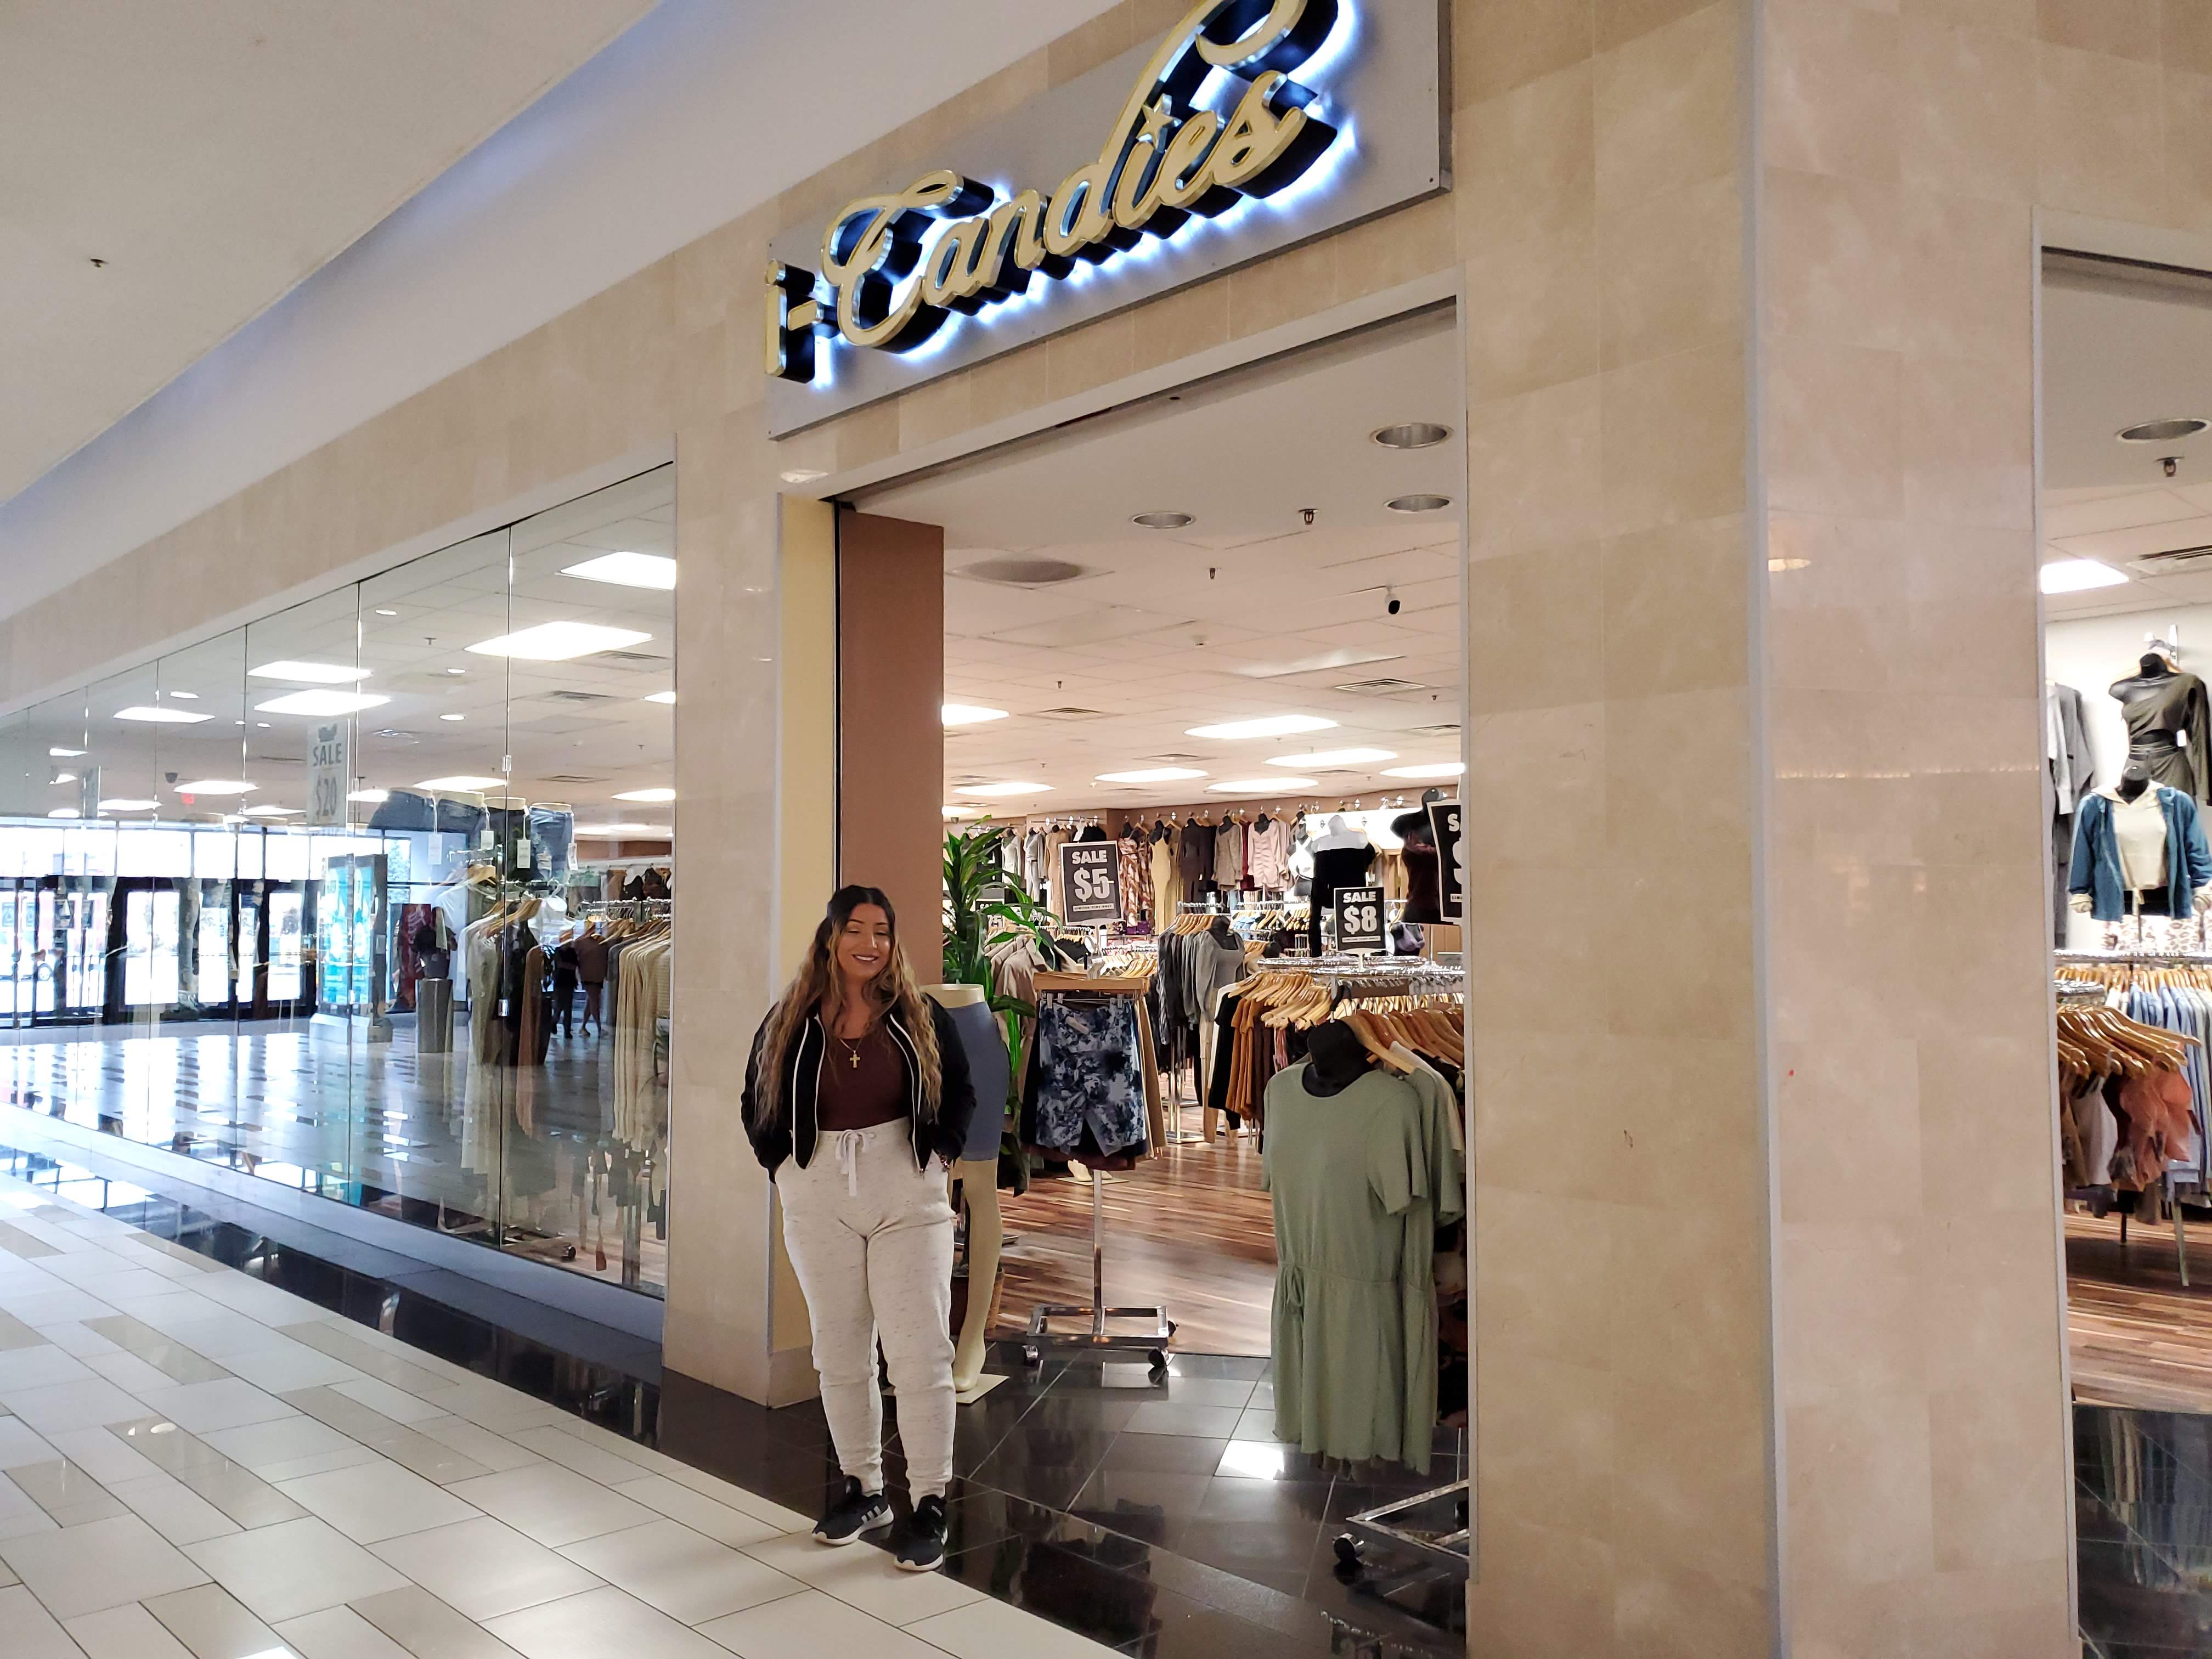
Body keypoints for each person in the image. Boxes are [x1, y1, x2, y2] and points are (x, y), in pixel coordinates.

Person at [742, 884, 976, 1572]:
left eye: (881, 931)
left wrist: (943, 1151)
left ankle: (929, 1499)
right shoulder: (792, 1017)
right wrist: (782, 1167)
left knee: (918, 1351)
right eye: (855, 929)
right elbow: (756, 1096)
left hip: (905, 1187)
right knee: (840, 1350)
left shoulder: (919, 1013)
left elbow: (962, 1090)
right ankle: (864, 1488)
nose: (869, 944)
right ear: (830, 938)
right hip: (818, 1192)